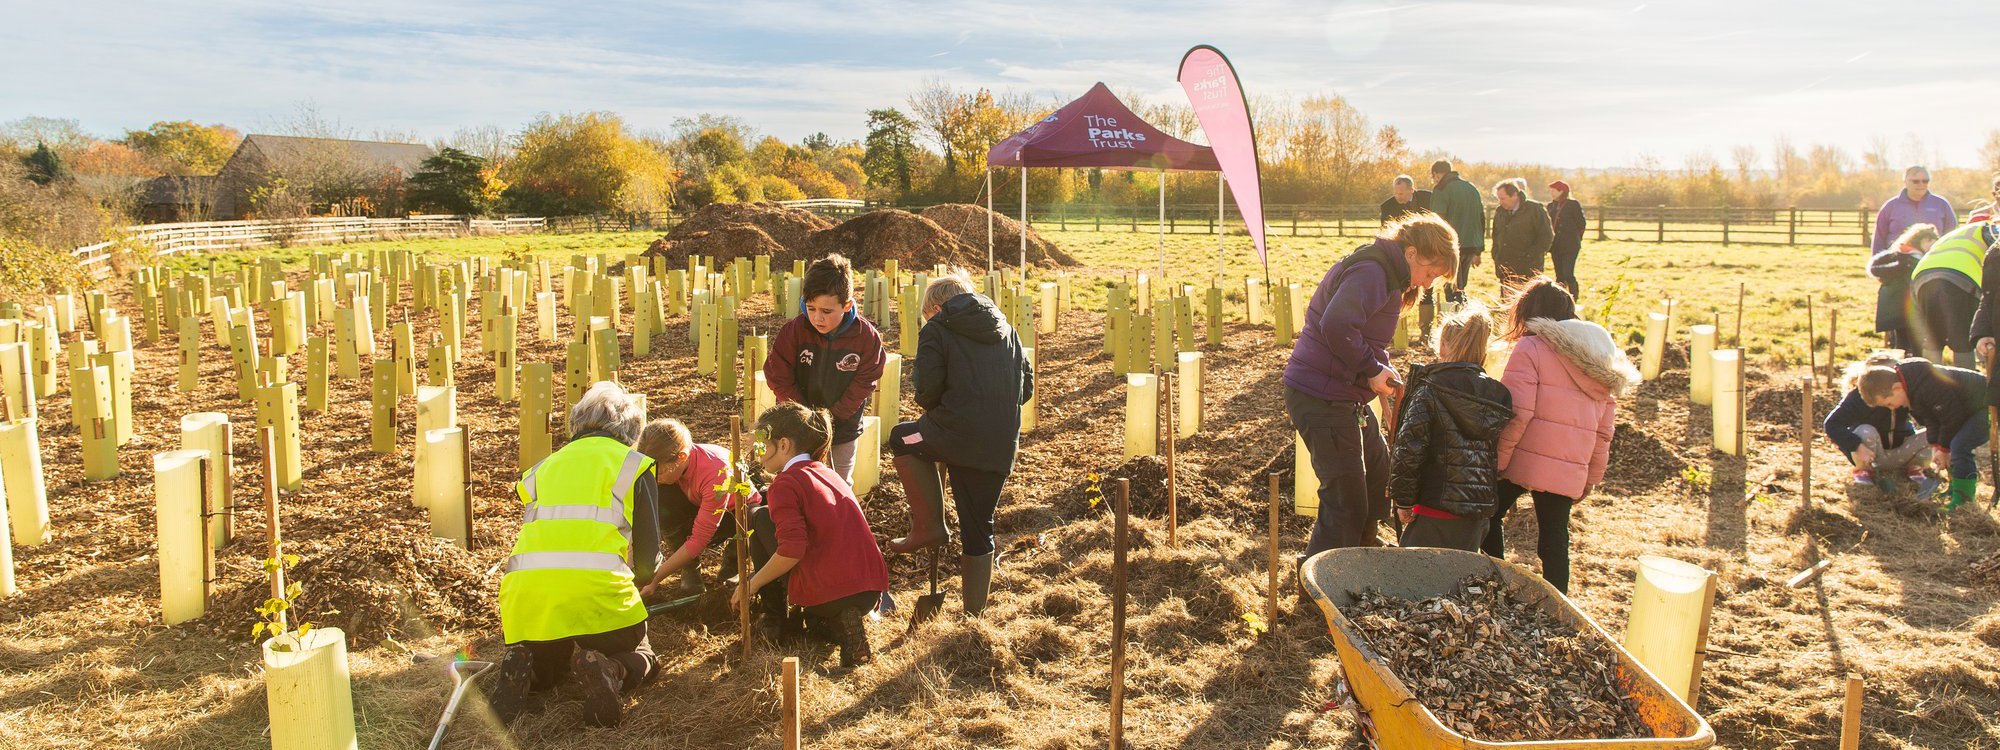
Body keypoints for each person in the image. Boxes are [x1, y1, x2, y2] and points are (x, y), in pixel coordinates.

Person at [1286, 213, 1459, 557]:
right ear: (1412, 253)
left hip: (1344, 393)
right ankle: (1318, 581)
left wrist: (1380, 369)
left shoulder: (1386, 275)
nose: (1427, 284)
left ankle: (1363, 551)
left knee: (1378, 474)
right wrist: (1370, 368)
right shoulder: (1373, 272)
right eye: (1429, 273)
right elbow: (1337, 325)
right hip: (1321, 395)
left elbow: (1362, 335)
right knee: (1345, 495)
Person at [491, 381, 663, 728]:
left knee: (552, 662)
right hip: (598, 592)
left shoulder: (541, 469)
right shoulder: (633, 465)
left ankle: (532, 672)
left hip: (527, 595)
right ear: (631, 427)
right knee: (644, 655)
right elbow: (647, 560)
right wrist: (645, 581)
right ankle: (611, 668)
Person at [884, 272, 1033, 616]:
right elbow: (1025, 391)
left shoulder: (937, 328)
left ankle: (929, 526)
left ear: (936, 307)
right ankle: (974, 616)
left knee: (901, 437)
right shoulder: (1007, 331)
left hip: (949, 436)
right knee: (979, 524)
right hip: (999, 444)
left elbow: (926, 393)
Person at [1482, 278, 1637, 594]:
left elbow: (1517, 413)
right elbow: (1605, 431)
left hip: (1524, 458)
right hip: (1569, 465)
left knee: (1488, 514)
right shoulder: (1600, 358)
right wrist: (1590, 478)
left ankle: (1494, 584)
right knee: (1554, 539)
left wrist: (1498, 460)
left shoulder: (1531, 348)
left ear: (1531, 312)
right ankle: (1560, 606)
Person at [739, 402, 890, 669]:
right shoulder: (827, 473)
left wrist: (752, 583)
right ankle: (832, 621)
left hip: (830, 590)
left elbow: (791, 550)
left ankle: (779, 618)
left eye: (761, 445)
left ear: (783, 445)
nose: (757, 453)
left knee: (760, 517)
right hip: (869, 588)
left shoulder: (785, 484)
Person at [1388, 302, 1513, 551]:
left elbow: (1409, 449)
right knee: (1458, 582)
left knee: (1410, 580)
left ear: (1443, 346)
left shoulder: (1430, 389)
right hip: (1476, 514)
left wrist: (1402, 500)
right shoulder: (1497, 395)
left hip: (1433, 507)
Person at [764, 253, 886, 485]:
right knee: (793, 481)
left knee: (838, 483)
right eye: (811, 308)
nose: (817, 318)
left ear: (847, 305)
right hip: (796, 424)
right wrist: (804, 415)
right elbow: (778, 375)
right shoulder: (794, 332)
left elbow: (865, 382)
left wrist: (833, 416)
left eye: (827, 312)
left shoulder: (865, 338)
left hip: (843, 425)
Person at [634, 418, 760, 597]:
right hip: (696, 502)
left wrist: (655, 579)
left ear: (682, 456)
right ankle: (690, 568)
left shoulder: (715, 473)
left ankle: (733, 559)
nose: (656, 478)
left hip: (733, 515)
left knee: (748, 519)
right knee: (661, 498)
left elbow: (699, 540)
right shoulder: (675, 465)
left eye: (660, 472)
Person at [1853, 356, 1989, 510]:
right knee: (1950, 444)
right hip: (1964, 410)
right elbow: (1931, 419)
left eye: (1889, 403)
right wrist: (1936, 444)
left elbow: (1951, 417)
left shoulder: (1927, 385)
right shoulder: (1912, 388)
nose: (1892, 408)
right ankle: (1955, 490)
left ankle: (1964, 500)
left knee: (1959, 446)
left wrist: (1944, 449)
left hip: (1989, 406)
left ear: (1897, 388)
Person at [1824, 353, 1935, 497]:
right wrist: (1856, 445)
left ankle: (1914, 470)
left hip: (1901, 454)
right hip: (1870, 455)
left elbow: (1927, 419)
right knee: (1866, 430)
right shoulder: (1857, 398)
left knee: (1932, 432)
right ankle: (1864, 472)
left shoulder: (1903, 394)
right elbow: (1831, 424)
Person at [1909, 221, 1990, 368]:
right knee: (1962, 336)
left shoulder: (1962, 232)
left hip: (1922, 277)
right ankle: (1966, 383)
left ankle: (1931, 382)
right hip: (1959, 277)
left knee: (1933, 335)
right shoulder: (1992, 230)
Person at [1868, 223, 1939, 353]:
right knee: (1906, 344)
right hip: (1902, 308)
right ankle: (1909, 370)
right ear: (1923, 240)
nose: (1931, 247)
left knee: (1909, 344)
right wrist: (1898, 268)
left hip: (1905, 308)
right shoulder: (1902, 257)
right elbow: (1874, 269)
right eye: (1930, 243)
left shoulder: (1913, 257)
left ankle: (1907, 369)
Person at [1426, 160, 1486, 299]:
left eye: (1433, 176)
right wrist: (1479, 250)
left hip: (1451, 245)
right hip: (1471, 244)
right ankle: (1461, 310)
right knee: (1461, 285)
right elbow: (1481, 218)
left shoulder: (1441, 188)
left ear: (1436, 174)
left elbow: (1438, 219)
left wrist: (1434, 246)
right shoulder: (1471, 188)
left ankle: (1455, 316)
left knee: (1451, 285)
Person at [1873, 166, 1957, 253]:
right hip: (1898, 260)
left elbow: (1952, 235)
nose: (1921, 184)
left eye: (1925, 181)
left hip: (1932, 260)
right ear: (1905, 182)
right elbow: (1879, 239)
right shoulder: (1890, 206)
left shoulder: (1941, 204)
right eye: (1915, 181)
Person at [1489, 178, 1553, 290]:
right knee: (1506, 303)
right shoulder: (1500, 212)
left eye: (1503, 198)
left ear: (1514, 195)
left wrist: (1530, 256)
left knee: (1528, 304)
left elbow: (1546, 236)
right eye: (1499, 198)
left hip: (1528, 269)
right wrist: (1496, 254)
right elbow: (1496, 236)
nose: (1500, 202)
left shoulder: (1535, 210)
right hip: (1505, 268)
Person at [1547, 180, 1587, 297]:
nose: (1551, 193)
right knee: (1559, 275)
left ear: (1561, 191)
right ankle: (1560, 299)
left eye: (1553, 191)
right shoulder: (1551, 206)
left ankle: (1574, 297)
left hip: (1570, 245)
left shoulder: (1572, 205)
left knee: (1568, 273)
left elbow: (1581, 224)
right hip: (1556, 245)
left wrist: (1576, 238)